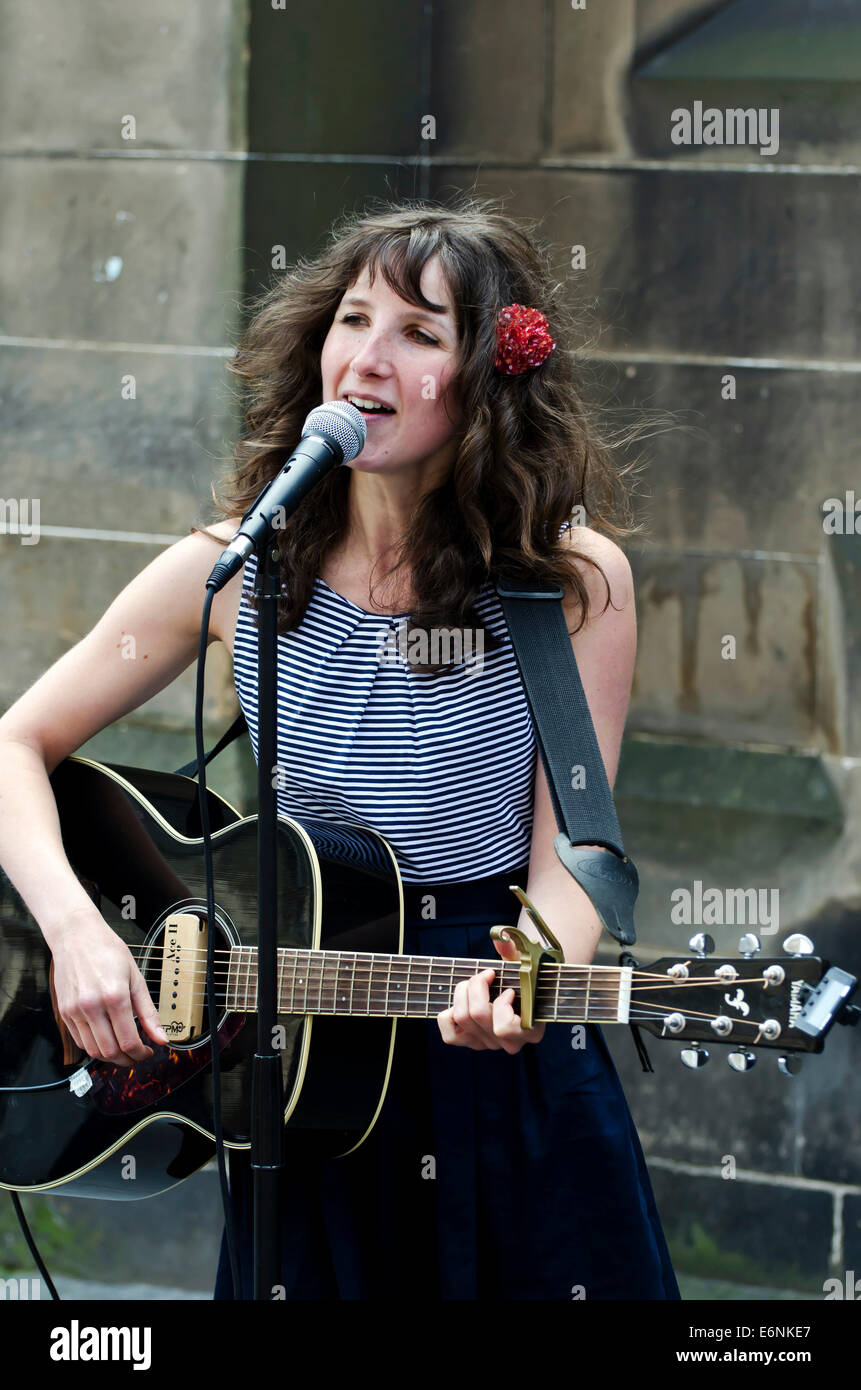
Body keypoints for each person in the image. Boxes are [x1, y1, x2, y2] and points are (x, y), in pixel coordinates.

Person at [0, 195, 679, 1301]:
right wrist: (77, 931)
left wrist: (536, 972)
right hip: (304, 1072)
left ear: (489, 381)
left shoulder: (570, 582)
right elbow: (15, 743)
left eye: (420, 333)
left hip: (494, 1034)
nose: (369, 357)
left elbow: (581, 851)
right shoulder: (234, 567)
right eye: (354, 319)